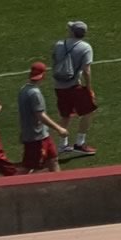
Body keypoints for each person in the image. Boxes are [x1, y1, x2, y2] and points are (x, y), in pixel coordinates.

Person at [49, 20, 97, 156]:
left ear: (72, 32)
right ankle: (80, 143)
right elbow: (86, 70)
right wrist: (88, 88)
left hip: (59, 86)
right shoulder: (85, 48)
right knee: (88, 111)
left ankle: (62, 145)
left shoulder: (59, 45)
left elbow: (54, 61)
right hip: (74, 85)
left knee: (65, 115)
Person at [16, 62, 65, 173]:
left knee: (53, 160)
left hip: (41, 135)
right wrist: (59, 129)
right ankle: (11, 186)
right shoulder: (35, 93)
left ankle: (59, 185)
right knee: (29, 167)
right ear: (44, 75)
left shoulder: (23, 90)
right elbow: (40, 115)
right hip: (37, 138)